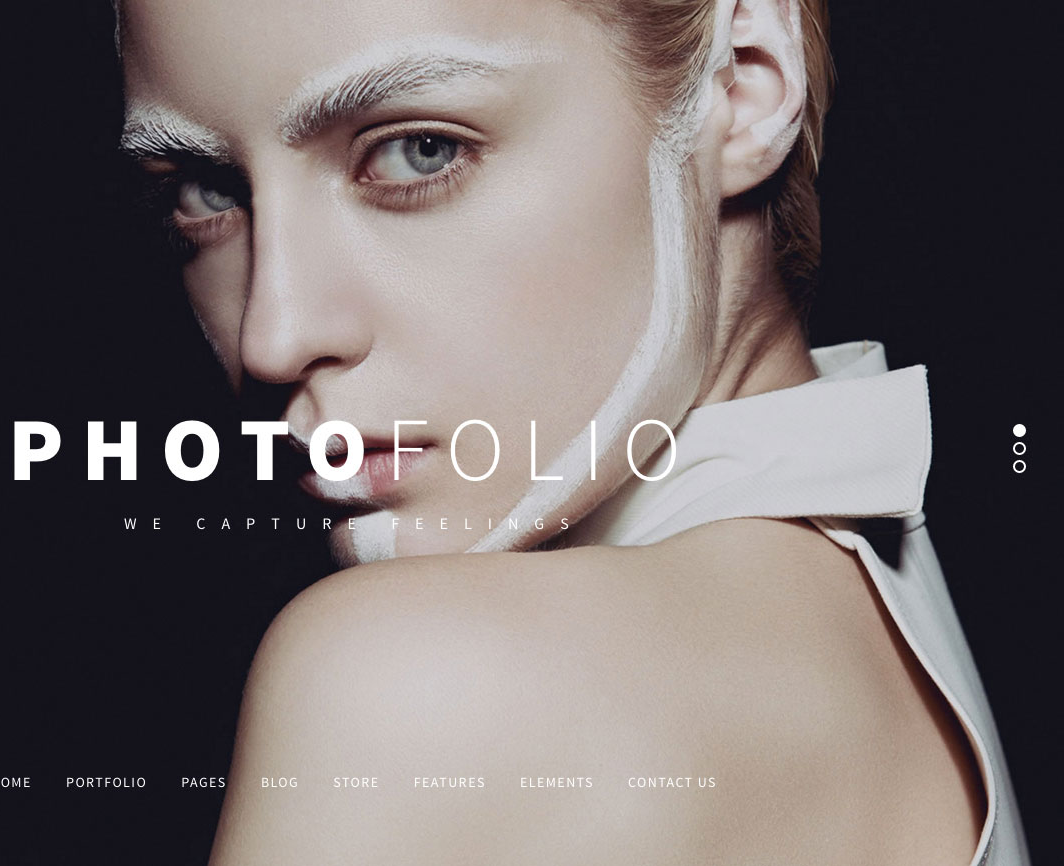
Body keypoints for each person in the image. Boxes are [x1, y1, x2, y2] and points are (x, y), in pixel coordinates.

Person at [116, 0, 1028, 862]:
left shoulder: (412, 682)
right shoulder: (860, 610)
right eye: (205, 190)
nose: (272, 337)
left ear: (742, 86)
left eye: (419, 151)